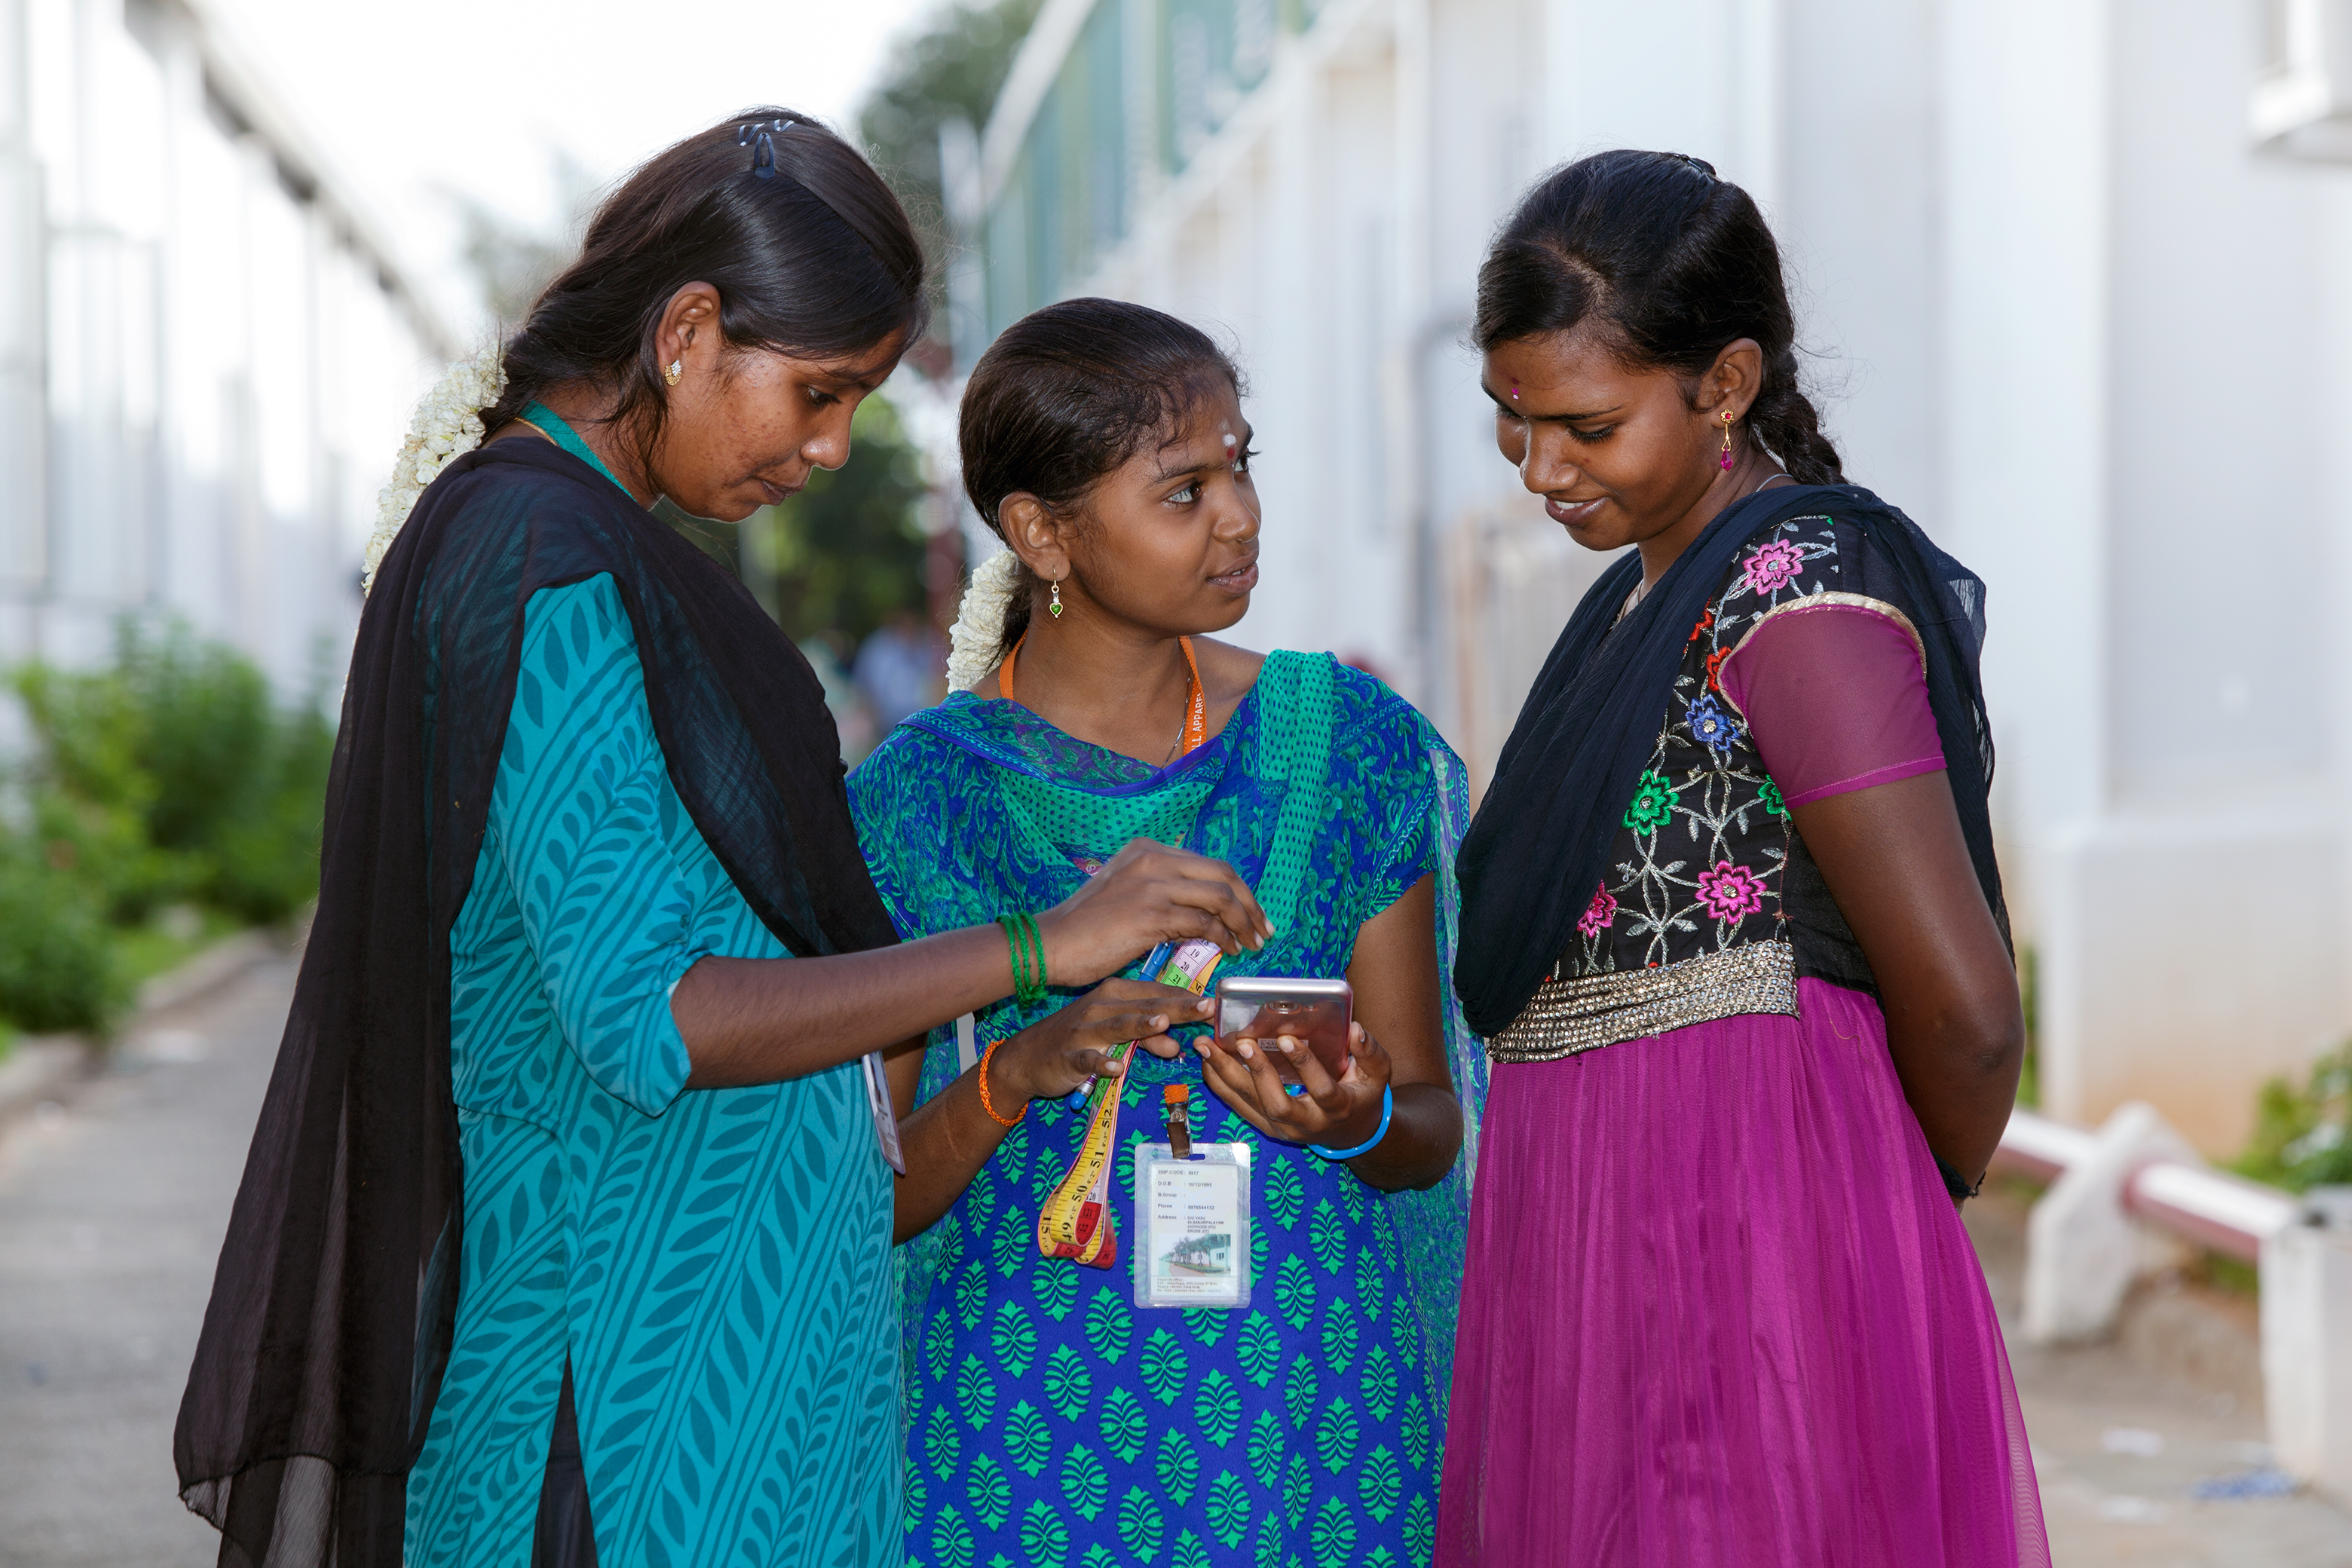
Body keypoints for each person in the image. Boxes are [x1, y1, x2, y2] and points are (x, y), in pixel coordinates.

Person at [173, 116, 1271, 1568]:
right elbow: (656, 1011)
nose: (830, 448)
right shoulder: (540, 559)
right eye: (818, 392)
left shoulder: (582, 545)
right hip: (625, 1400)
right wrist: (1036, 948)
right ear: (687, 332)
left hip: (725, 1387)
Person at [1437, 151, 2048, 1565]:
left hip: (1749, 1260)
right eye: (1513, 423)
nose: (1541, 470)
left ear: (1724, 384)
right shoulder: (1640, 596)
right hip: (1602, 1246)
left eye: (1587, 427)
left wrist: (1870, 1219)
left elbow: (1966, 1012)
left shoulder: (1800, 596)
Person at [850, 299, 1487, 1568]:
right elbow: (869, 1197)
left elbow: (1430, 1126)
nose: (1240, 515)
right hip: (1020, 1450)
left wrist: (1351, 1117)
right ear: (1043, 532)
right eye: (1185, 490)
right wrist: (1015, 1071)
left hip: (1308, 1433)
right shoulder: (920, 799)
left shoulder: (1345, 745)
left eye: (1241, 466)